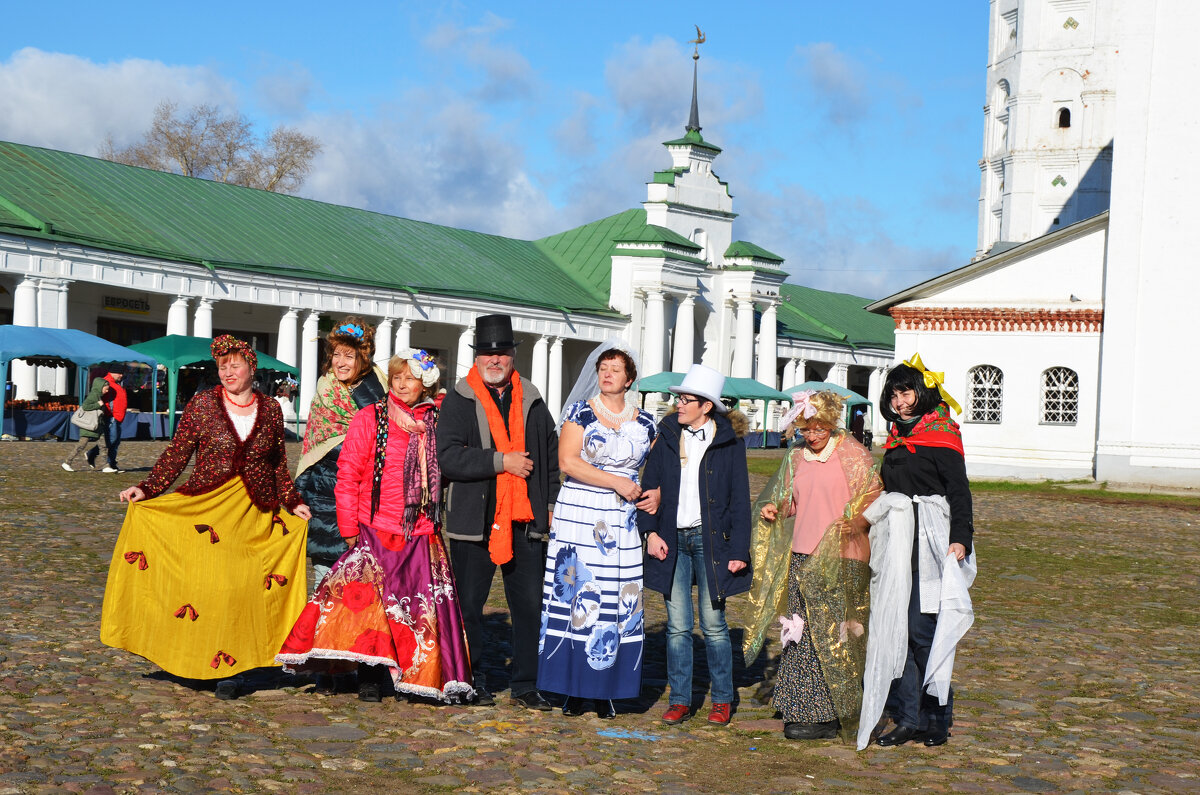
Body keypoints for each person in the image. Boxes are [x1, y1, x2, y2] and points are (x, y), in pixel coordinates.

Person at [101, 335, 312, 700]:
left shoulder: (272, 409)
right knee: (206, 588)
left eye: (235, 365)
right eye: (223, 366)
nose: (229, 372)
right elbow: (177, 452)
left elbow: (277, 463)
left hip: (254, 513)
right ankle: (197, 662)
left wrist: (292, 501)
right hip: (207, 508)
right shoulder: (204, 404)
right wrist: (148, 489)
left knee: (240, 590)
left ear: (251, 367)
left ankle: (233, 667)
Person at [277, 349, 474, 703]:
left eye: (409, 378)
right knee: (371, 606)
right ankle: (370, 676)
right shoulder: (372, 417)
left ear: (425, 384)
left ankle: (419, 674)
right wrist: (348, 525)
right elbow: (348, 473)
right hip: (375, 526)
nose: (401, 384)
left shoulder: (437, 421)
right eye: (396, 377)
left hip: (421, 529)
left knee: (417, 608)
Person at [437, 314, 560, 709]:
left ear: (512, 357)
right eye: (488, 353)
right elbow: (449, 457)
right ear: (476, 358)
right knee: (469, 607)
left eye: (502, 353)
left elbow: (552, 456)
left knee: (528, 607)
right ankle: (471, 679)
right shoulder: (459, 398)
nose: (495, 359)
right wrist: (500, 461)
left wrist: (553, 502)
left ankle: (526, 683)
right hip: (474, 521)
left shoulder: (533, 399)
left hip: (525, 519)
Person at [746, 390, 881, 741]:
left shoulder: (853, 454)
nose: (813, 434)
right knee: (802, 634)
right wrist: (775, 508)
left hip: (840, 556)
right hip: (803, 555)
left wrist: (858, 522)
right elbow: (790, 499)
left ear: (832, 423)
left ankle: (832, 711)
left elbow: (874, 497)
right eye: (806, 428)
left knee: (834, 634)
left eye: (819, 427)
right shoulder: (796, 458)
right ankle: (803, 707)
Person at [536, 343, 657, 719]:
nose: (607, 374)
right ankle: (572, 688)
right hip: (580, 512)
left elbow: (655, 472)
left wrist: (655, 493)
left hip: (621, 522)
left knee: (614, 594)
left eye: (615, 369)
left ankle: (606, 687)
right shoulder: (580, 412)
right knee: (578, 593)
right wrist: (616, 483)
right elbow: (568, 462)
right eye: (603, 368)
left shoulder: (647, 423)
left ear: (629, 379)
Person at [867, 354, 975, 748]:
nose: (899, 400)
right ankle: (908, 718)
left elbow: (960, 492)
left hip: (931, 542)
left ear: (922, 393)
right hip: (897, 542)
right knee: (897, 627)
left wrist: (961, 537)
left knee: (922, 628)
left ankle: (936, 717)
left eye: (906, 391)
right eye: (893, 393)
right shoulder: (897, 438)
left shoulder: (942, 436)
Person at [638, 363, 752, 726]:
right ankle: (680, 699)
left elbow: (739, 500)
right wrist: (650, 532)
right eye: (679, 399)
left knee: (715, 624)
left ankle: (721, 699)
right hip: (671, 540)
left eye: (686, 400)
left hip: (711, 542)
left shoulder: (729, 443)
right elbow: (649, 487)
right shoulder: (668, 434)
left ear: (706, 406)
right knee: (677, 627)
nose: (679, 405)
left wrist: (738, 551)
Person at [294, 318, 387, 591]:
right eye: (337, 354)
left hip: (367, 500)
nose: (341, 362)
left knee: (363, 586)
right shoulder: (326, 388)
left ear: (363, 358)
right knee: (325, 581)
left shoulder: (378, 385)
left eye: (350, 355)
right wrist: (295, 497)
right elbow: (312, 446)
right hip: (324, 499)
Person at [61, 374, 114, 472]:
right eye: (106, 389)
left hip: (97, 425)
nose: (107, 391)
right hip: (89, 425)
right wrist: (98, 404)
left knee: (103, 446)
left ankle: (105, 466)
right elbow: (85, 406)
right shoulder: (93, 395)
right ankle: (67, 462)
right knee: (81, 445)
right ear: (100, 387)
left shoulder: (99, 395)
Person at [101, 370, 127, 472]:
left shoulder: (117, 383)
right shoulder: (106, 382)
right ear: (112, 372)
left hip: (118, 416)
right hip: (112, 415)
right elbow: (104, 399)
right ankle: (94, 454)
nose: (121, 375)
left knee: (115, 441)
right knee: (111, 439)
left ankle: (112, 464)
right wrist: (109, 412)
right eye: (119, 373)